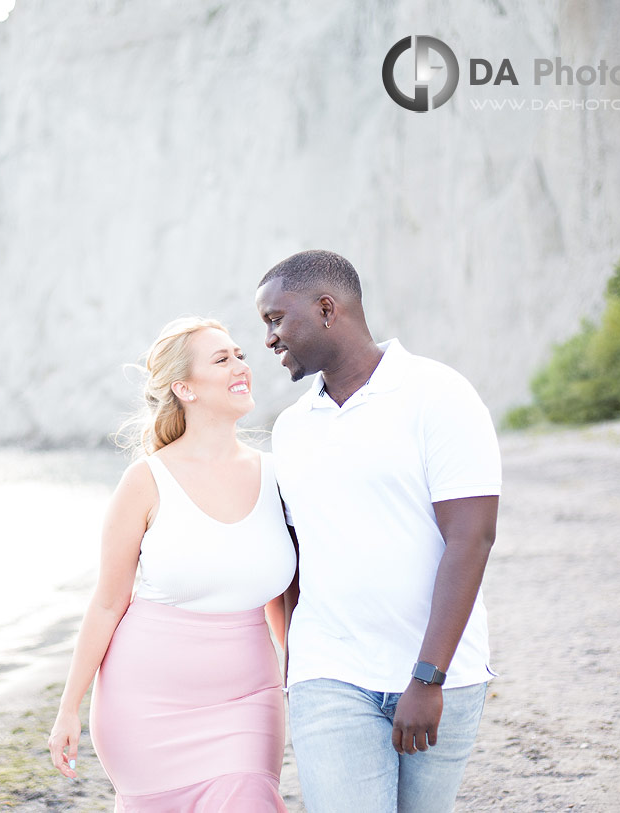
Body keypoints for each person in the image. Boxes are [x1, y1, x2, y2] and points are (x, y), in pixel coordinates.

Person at [254, 250, 502, 813]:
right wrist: (297, 657)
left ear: (325, 309)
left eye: (275, 319)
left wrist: (428, 677)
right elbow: (293, 553)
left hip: (443, 675)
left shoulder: (439, 395)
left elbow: (472, 538)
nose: (268, 339)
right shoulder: (292, 429)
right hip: (331, 675)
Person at [47, 316, 296, 811]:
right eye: (222, 359)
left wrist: (301, 675)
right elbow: (107, 603)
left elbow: (280, 599)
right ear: (184, 387)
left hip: (249, 700)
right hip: (145, 707)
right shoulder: (146, 481)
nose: (241, 365)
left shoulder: (278, 474)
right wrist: (68, 708)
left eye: (240, 355)